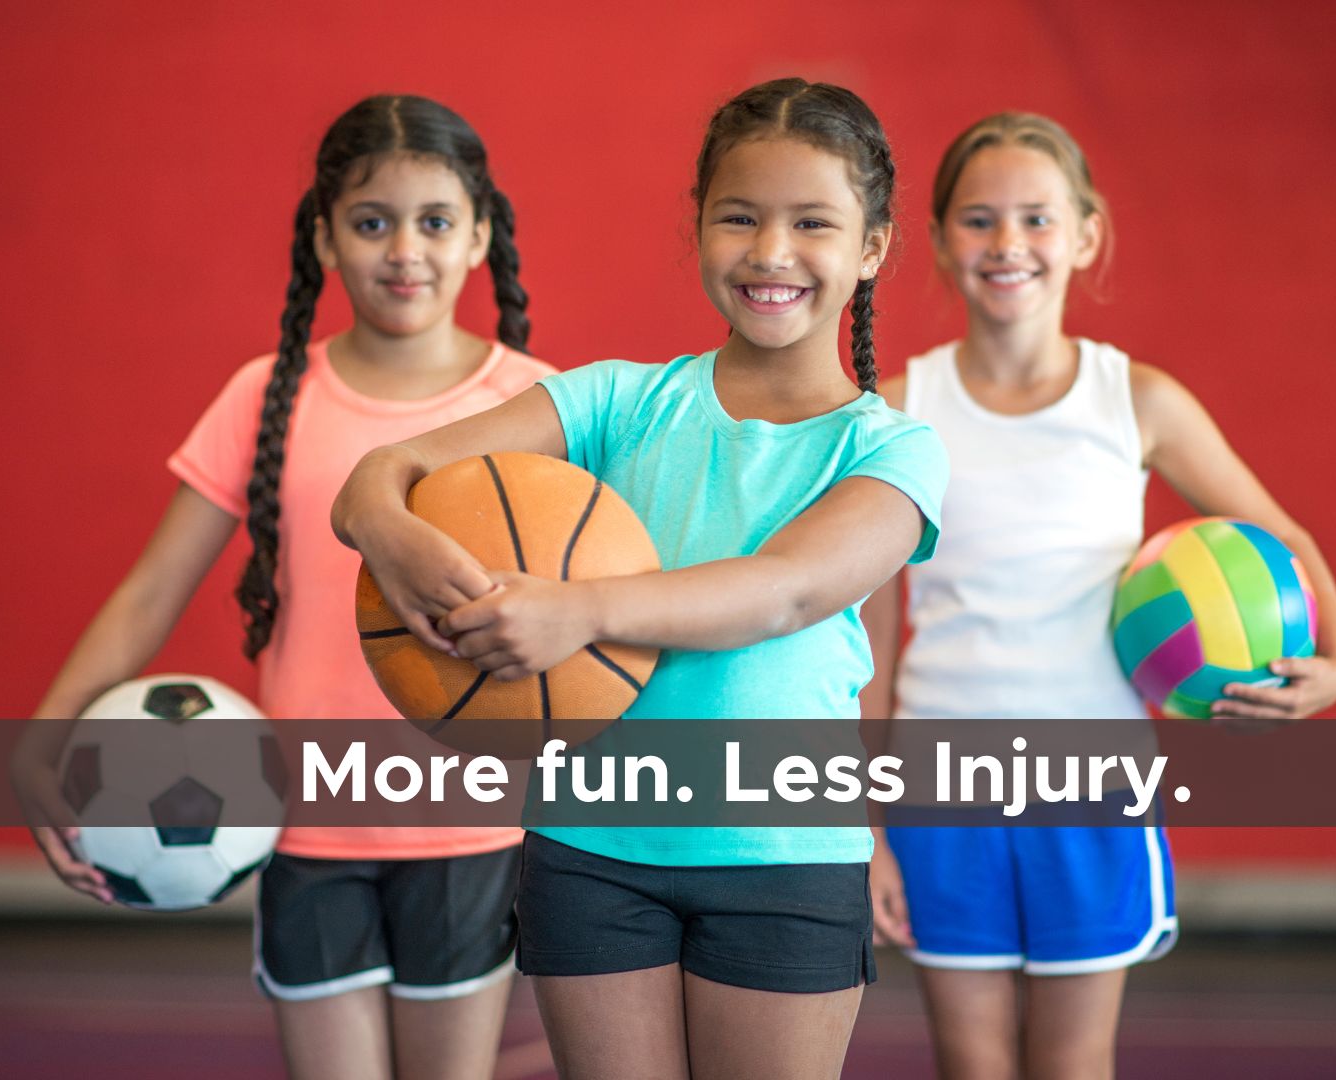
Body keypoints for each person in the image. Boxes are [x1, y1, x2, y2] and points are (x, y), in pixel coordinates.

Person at [332, 78, 948, 1080]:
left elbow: (783, 588)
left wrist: (580, 612)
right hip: (589, 850)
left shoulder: (895, 449)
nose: (770, 252)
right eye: (739, 217)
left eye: (813, 223)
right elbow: (380, 477)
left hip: (780, 863)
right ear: (699, 227)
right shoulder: (613, 401)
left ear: (872, 248)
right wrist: (390, 535)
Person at [10, 94, 551, 1080]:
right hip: (308, 822)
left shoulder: (535, 402)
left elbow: (592, 619)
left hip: (475, 823)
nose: (404, 251)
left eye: (434, 221)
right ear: (324, 237)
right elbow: (149, 593)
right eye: (371, 221)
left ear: (479, 235)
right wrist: (42, 740)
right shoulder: (266, 394)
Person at [860, 112, 1336, 1080]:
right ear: (938, 239)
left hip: (1092, 785)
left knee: (1075, 1062)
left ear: (1086, 234)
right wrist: (869, 830)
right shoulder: (897, 415)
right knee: (971, 1063)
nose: (1009, 244)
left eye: (1038, 219)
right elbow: (868, 649)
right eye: (980, 220)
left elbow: (1284, 538)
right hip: (940, 789)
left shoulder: (1137, 401)